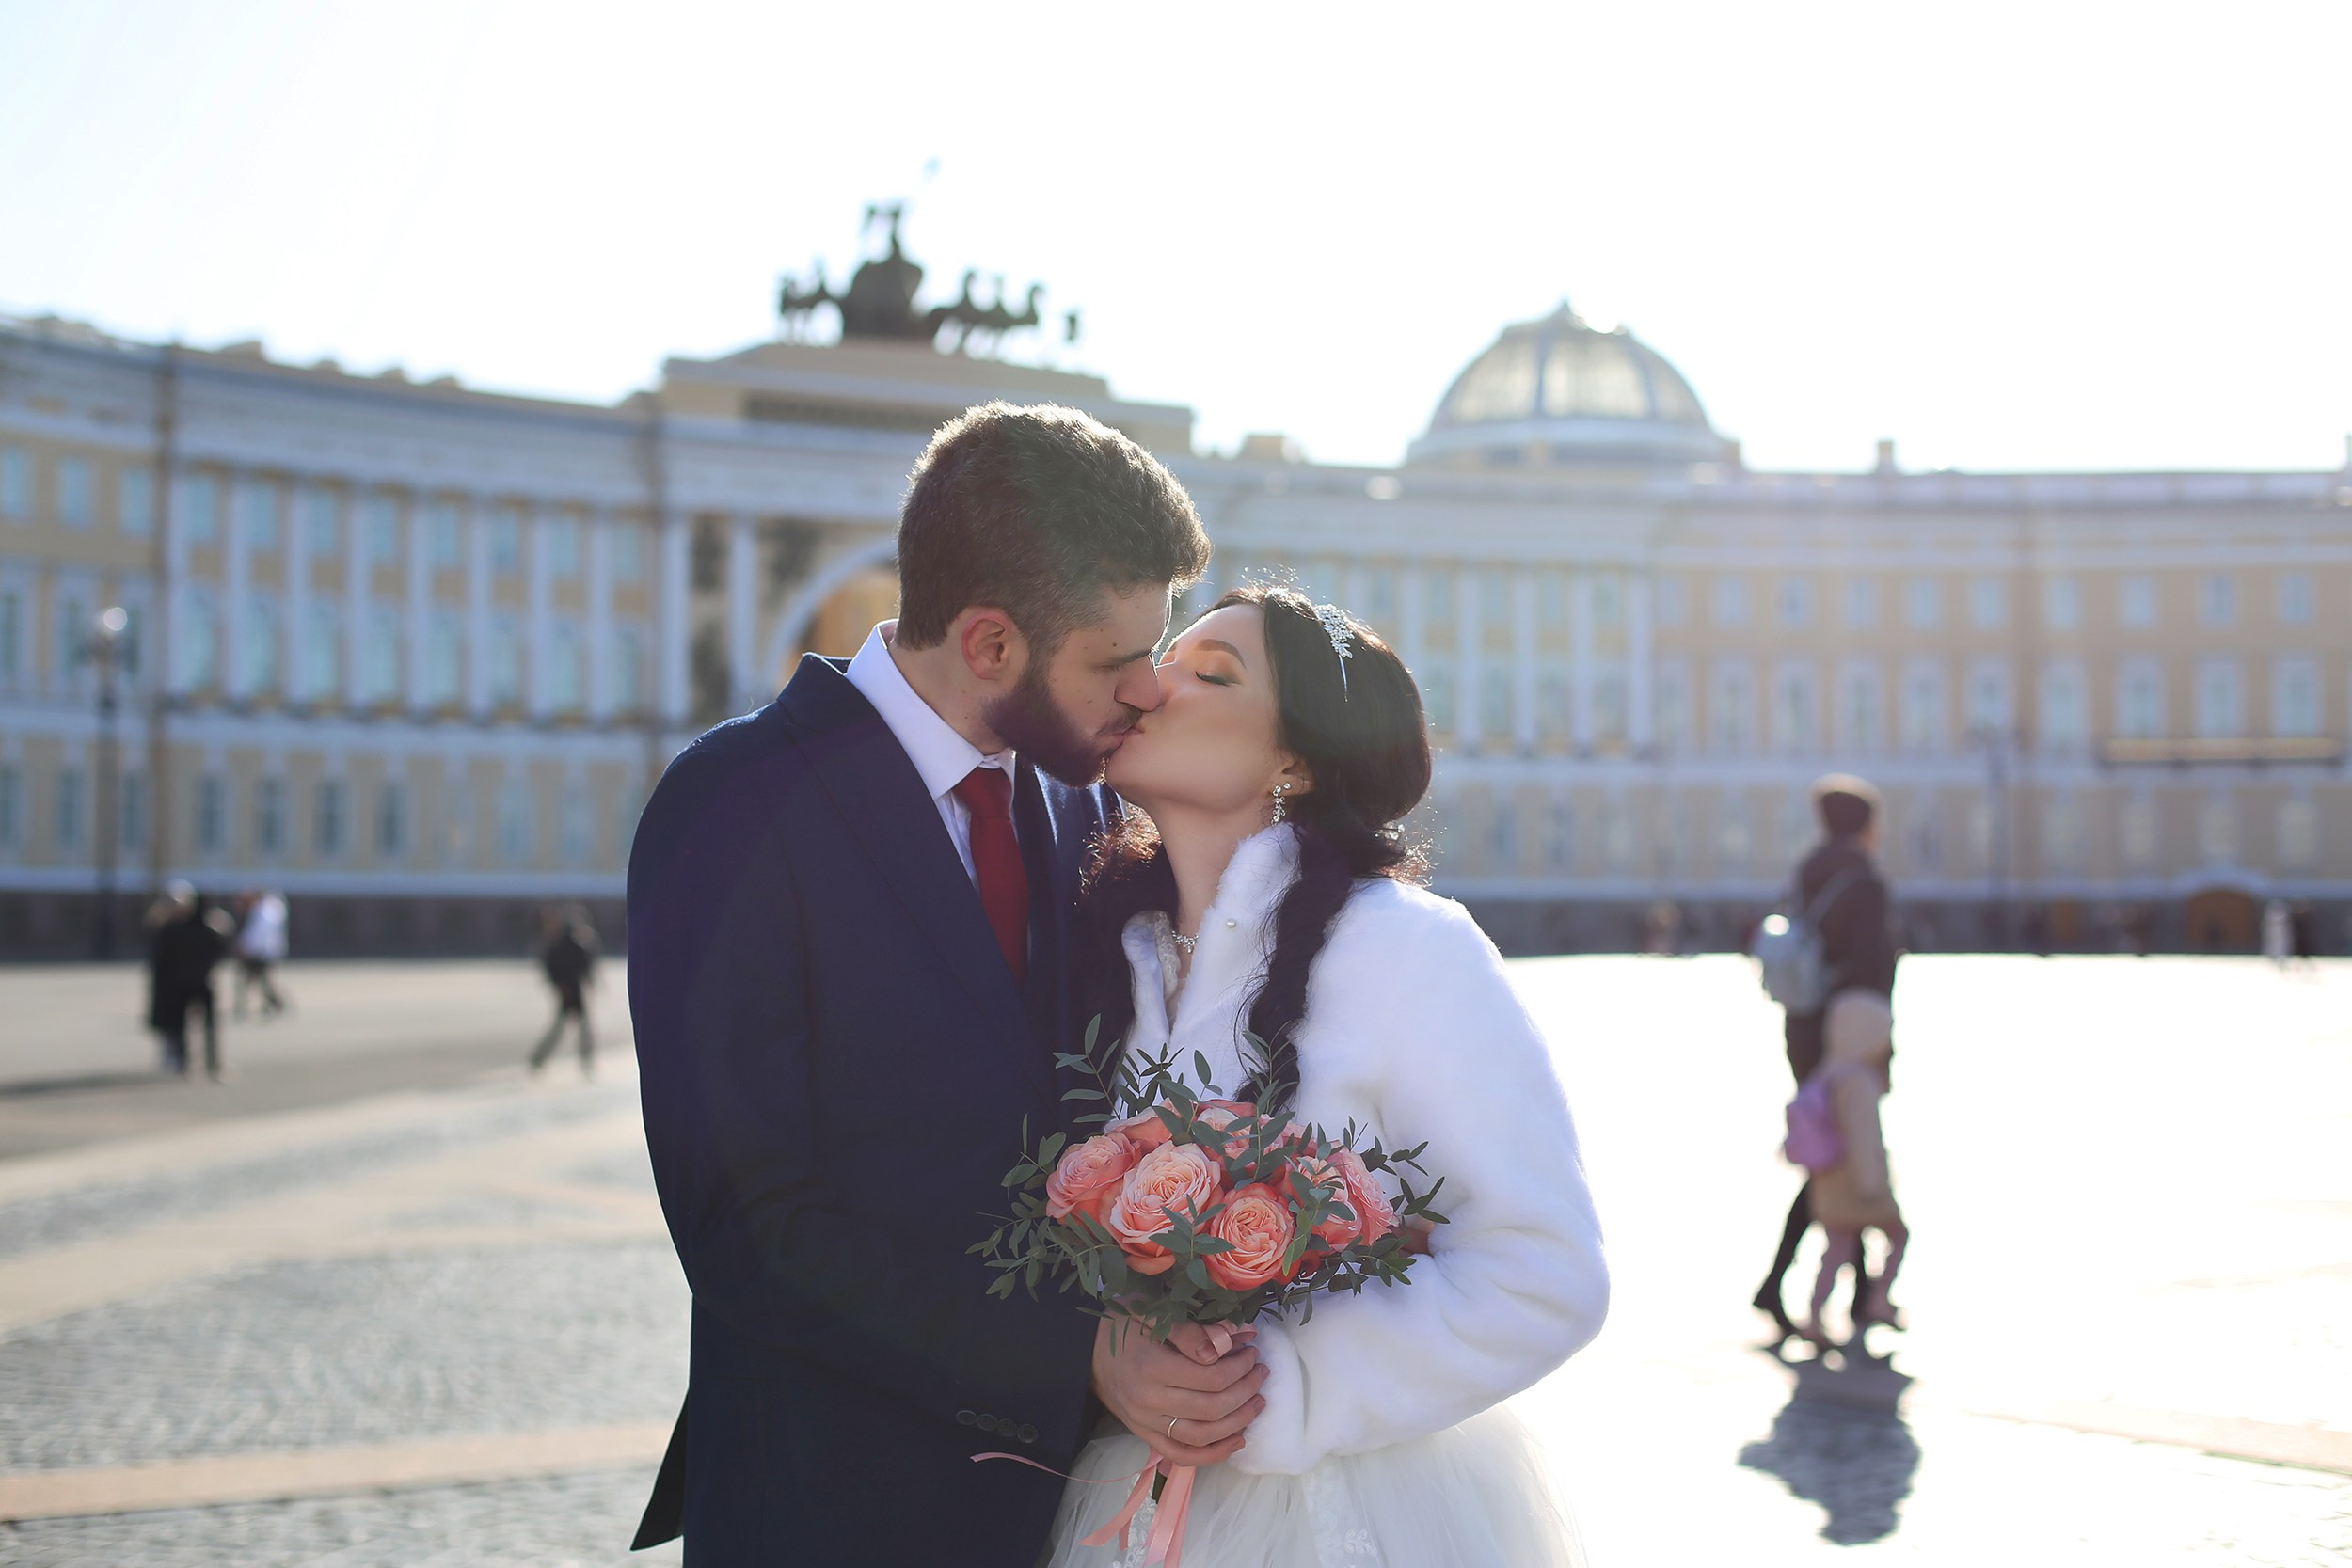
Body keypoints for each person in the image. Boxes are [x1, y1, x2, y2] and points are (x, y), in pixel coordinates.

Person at [627, 403, 1242, 1567]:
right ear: (990, 643)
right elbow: (746, 1225)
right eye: (1116, 662)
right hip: (829, 1504)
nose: (1147, 691)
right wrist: (1076, 1349)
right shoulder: (733, 804)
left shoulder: (1091, 805)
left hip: (1063, 1513)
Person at [1041, 585, 1608, 1568]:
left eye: (1209, 672)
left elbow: (1545, 1271)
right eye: (1165, 657)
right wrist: (1116, 1354)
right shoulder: (1108, 955)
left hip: (1345, 1518)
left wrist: (1280, 1384)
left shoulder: (1404, 948)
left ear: (1293, 760)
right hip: (1125, 1505)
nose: (1150, 682)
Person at [1754, 775, 1899, 1344]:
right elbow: (1871, 973)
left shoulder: (1807, 873)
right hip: (1844, 1040)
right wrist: (1875, 1049)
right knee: (1837, 1158)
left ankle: (1860, 1296)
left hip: (1805, 1031)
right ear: (1866, 825)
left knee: (1835, 1155)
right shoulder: (1864, 883)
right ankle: (1778, 1283)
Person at [1800, 990, 1905, 1347]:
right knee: (1898, 1234)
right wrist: (1873, 1182)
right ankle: (1879, 1299)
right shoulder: (1859, 1080)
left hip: (1828, 1178)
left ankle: (1814, 1316)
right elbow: (1864, 1136)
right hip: (1858, 1180)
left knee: (1836, 1250)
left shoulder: (1829, 1069)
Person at [146, 883, 235, 1080]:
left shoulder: (206, 926)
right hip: (178, 984)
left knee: (210, 1024)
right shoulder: (170, 928)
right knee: (179, 1025)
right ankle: (182, 1060)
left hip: (201, 981)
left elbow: (222, 948)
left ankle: (213, 1063)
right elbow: (157, 950)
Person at [527, 904, 600, 1077]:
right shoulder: (574, 946)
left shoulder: (557, 945)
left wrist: (558, 985)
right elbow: (585, 967)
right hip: (572, 990)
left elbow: (551, 967)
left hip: (568, 990)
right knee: (577, 1028)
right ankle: (585, 1061)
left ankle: (539, 1059)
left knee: (562, 1028)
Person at [231, 889, 289, 1018]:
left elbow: (257, 935)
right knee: (259, 982)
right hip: (260, 952)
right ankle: (271, 1004)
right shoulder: (263, 911)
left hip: (259, 954)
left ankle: (273, 1003)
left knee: (255, 982)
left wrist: (246, 948)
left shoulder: (263, 913)